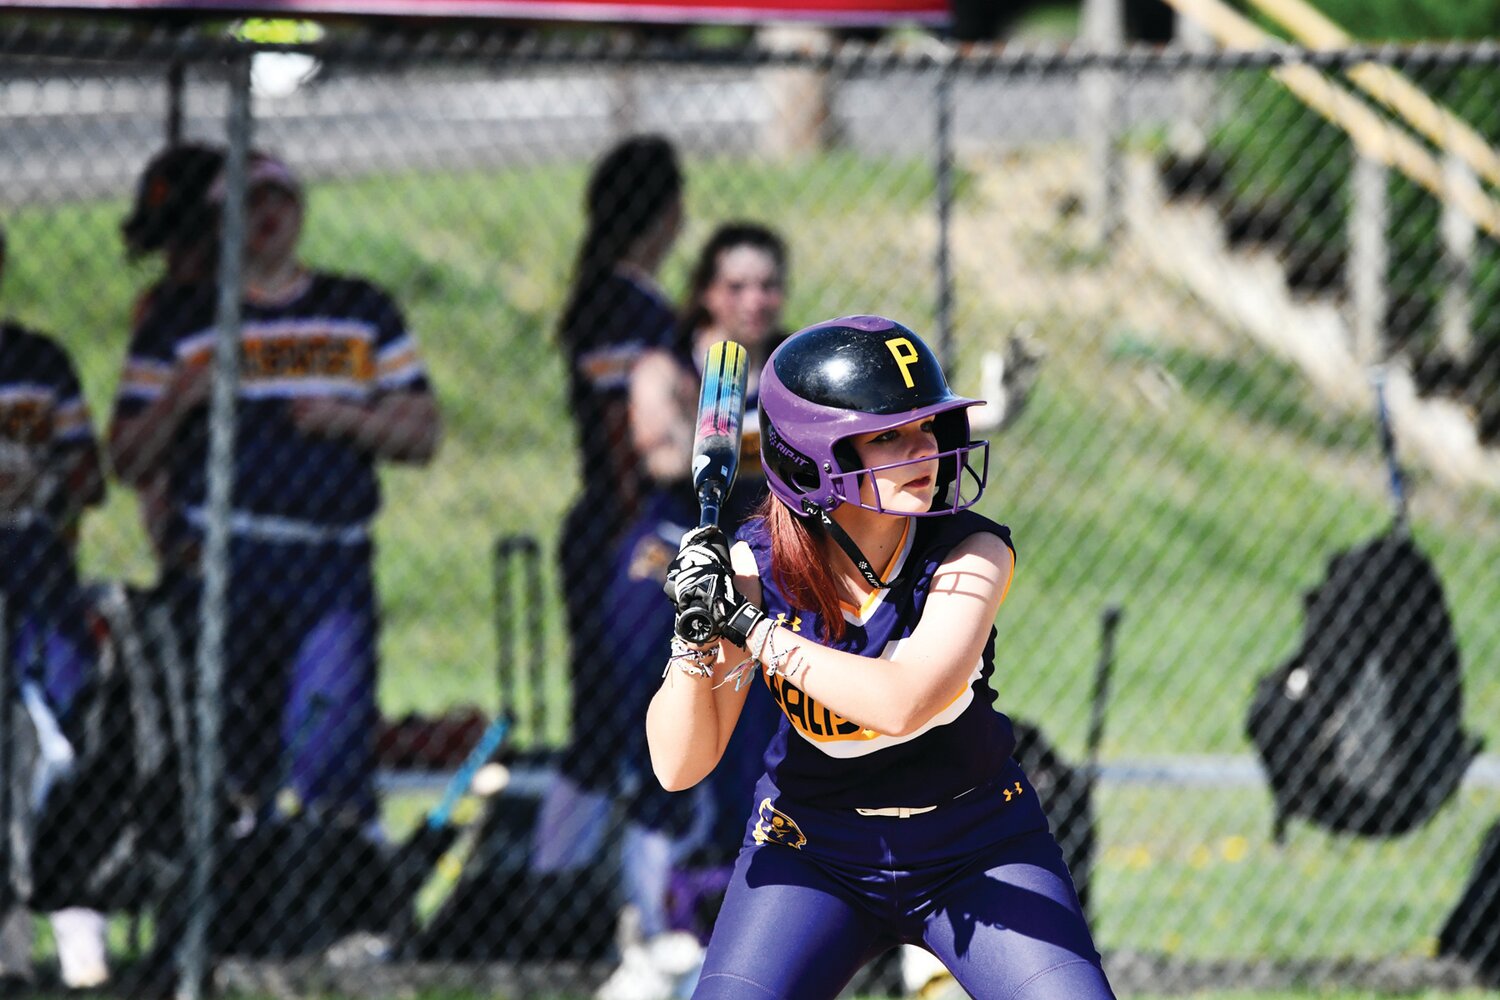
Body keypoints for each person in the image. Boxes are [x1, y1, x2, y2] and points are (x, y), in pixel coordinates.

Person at [648, 316, 1116, 999]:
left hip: (977, 844)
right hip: (811, 848)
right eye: (889, 435)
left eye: (927, 427)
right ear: (810, 460)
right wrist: (695, 633)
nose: (924, 449)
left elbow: (902, 701)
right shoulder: (755, 565)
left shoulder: (970, 552)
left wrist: (750, 628)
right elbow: (678, 763)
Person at [109, 149, 441, 843]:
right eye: (248, 203)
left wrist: (346, 420)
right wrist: (179, 399)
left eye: (278, 200)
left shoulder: (358, 309)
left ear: (300, 211)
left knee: (330, 734)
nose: (266, 216)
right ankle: (231, 906)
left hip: (330, 563)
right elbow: (126, 457)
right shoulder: (184, 320)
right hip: (227, 562)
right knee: (231, 752)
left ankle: (336, 907)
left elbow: (422, 431)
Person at [596, 224, 790, 998]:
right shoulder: (668, 365)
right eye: (736, 285)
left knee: (754, 755)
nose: (754, 301)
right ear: (708, 291)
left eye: (768, 285)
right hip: (670, 559)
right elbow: (667, 452)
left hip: (757, 569)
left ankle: (737, 940)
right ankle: (651, 931)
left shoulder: (789, 372)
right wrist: (759, 430)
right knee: (666, 755)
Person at [531, 135, 686, 880]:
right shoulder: (624, 307)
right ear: (669, 214)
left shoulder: (620, 299)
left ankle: (564, 885)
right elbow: (621, 429)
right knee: (622, 721)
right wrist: (633, 524)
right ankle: (563, 889)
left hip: (614, 525)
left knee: (610, 721)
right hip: (623, 529)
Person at [0, 223, 110, 990]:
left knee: (66, 732)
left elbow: (93, 476)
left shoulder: (38, 362)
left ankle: (81, 938)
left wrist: (37, 480)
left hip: (35, 563)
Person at [120, 142, 227, 577]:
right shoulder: (160, 310)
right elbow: (138, 459)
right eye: (168, 248)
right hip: (188, 508)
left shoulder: (275, 308)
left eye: (190, 247)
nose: (176, 266)